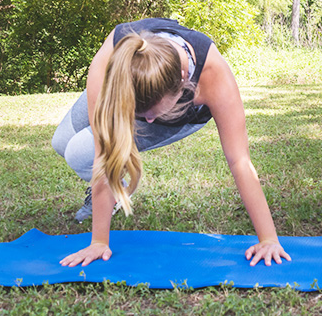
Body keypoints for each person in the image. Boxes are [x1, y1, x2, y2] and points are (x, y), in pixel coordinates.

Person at [52, 18, 290, 267]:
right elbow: (104, 155)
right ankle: (116, 188)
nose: (148, 121)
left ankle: (113, 193)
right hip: (118, 87)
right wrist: (99, 242)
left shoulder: (213, 76)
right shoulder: (111, 59)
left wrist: (268, 238)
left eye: (152, 113)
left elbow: (239, 160)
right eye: (141, 115)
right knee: (62, 142)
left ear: (182, 79)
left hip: (180, 114)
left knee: (79, 152)